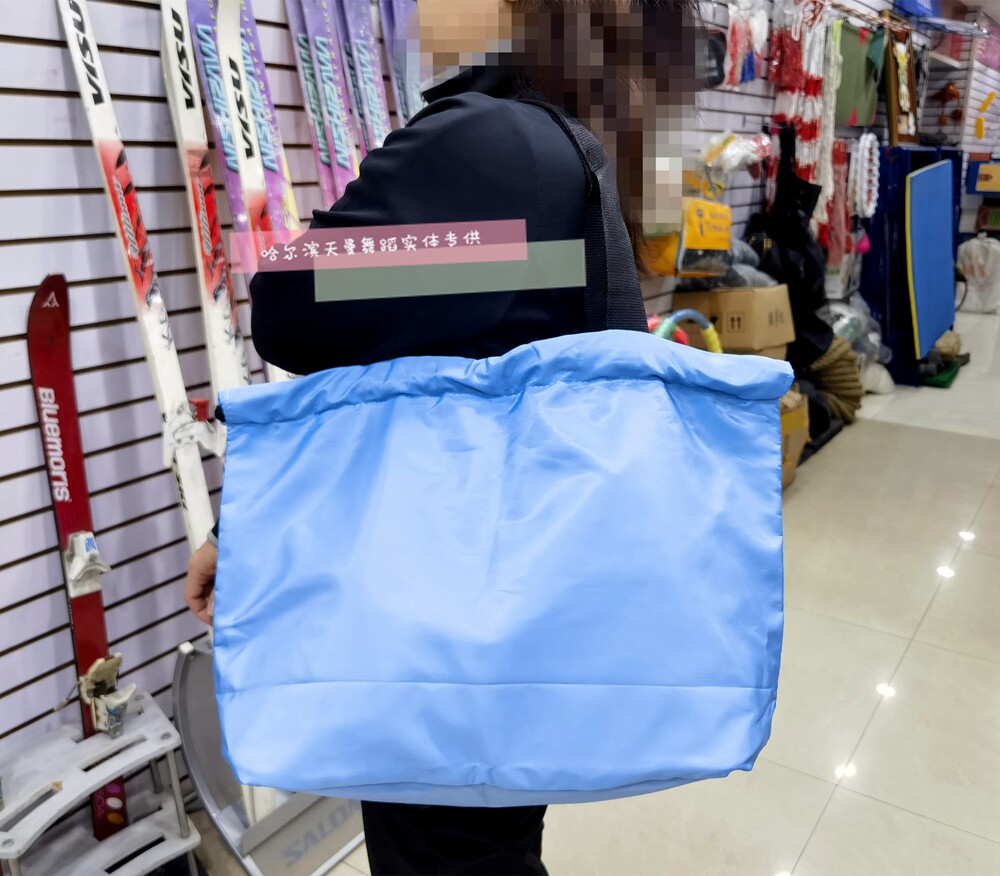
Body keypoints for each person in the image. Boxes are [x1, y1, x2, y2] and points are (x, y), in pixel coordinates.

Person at [185, 1, 693, 872]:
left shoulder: (489, 142)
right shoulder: (565, 142)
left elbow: (291, 311)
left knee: (446, 855)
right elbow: (435, 345)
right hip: (513, 602)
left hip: (448, 620)